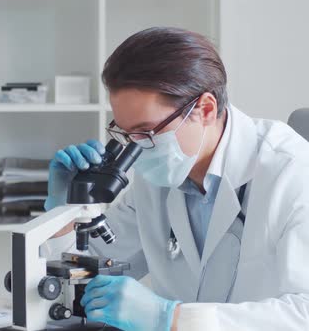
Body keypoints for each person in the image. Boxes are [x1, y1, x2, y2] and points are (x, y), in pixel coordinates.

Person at [43, 27, 309, 330]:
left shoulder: (293, 172)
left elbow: (304, 312)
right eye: (126, 133)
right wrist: (65, 214)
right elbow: (86, 270)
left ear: (205, 109)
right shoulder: (155, 176)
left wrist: (172, 318)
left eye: (147, 131)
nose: (137, 147)